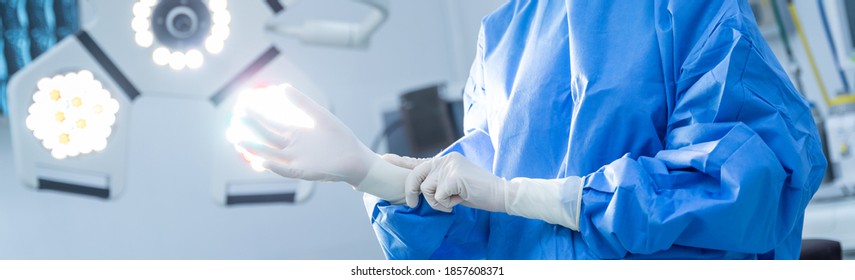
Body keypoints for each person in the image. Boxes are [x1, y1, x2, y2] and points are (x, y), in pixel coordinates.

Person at [237, 0, 826, 259]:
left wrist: (520, 195)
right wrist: (368, 172)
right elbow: (478, 217)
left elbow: (742, 186)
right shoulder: (501, 38)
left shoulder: (686, 7)